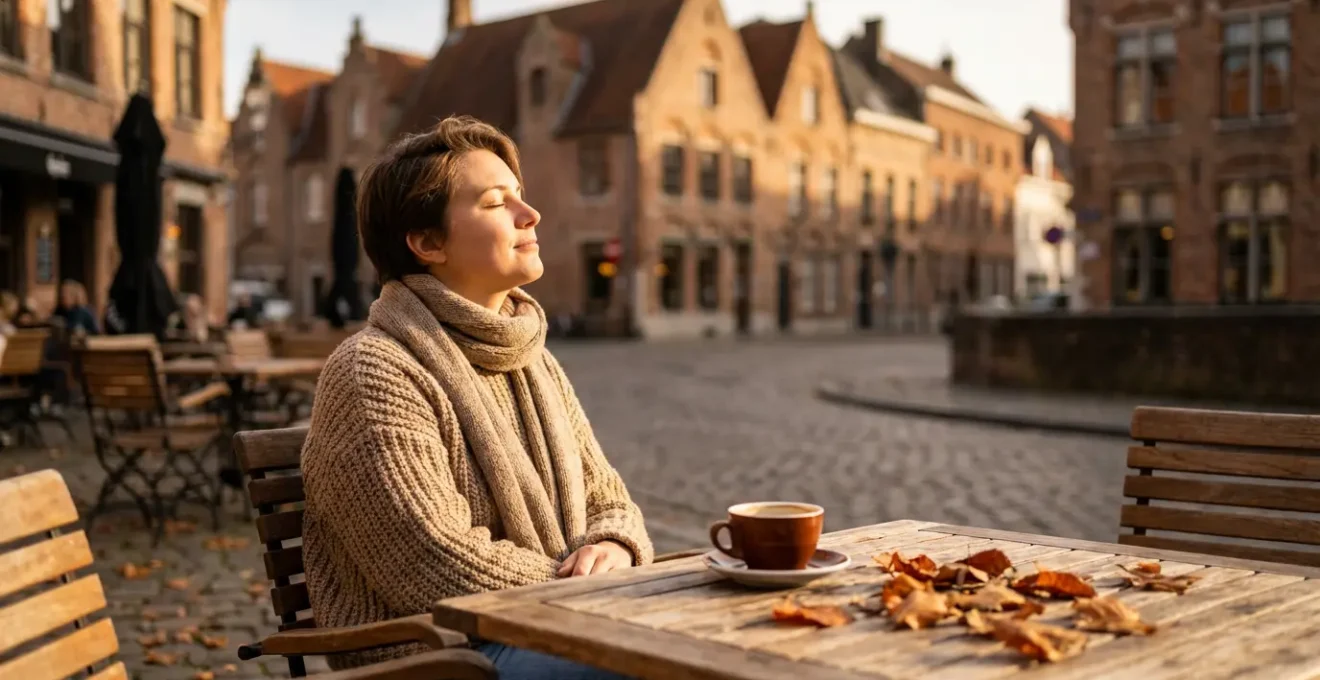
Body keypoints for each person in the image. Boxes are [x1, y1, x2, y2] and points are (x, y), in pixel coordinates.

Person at [300, 116, 651, 679]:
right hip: (438, 654)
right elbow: (432, 562)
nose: (529, 214)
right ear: (427, 242)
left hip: (558, 619)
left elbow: (607, 495)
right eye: (495, 202)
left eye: (521, 196)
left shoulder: (533, 357)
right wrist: (582, 586)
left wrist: (614, 546)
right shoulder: (374, 371)